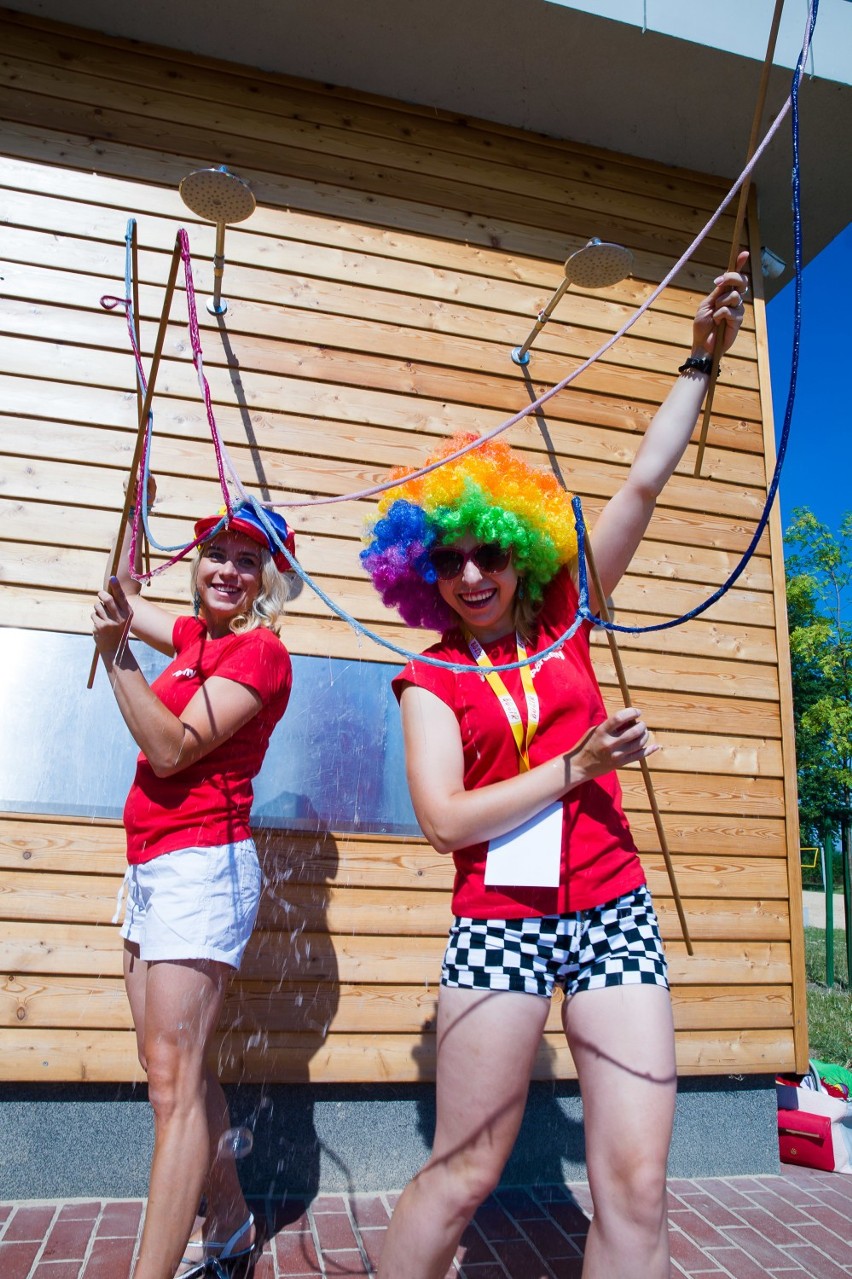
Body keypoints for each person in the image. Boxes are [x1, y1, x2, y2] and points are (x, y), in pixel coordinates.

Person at [361, 255, 749, 1279]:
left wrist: (699, 360)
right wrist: (576, 764)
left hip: (613, 908)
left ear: (517, 550)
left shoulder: (568, 615)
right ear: (421, 573)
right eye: (447, 560)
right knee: (462, 1174)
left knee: (636, 1186)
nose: (473, 575)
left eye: (488, 553)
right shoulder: (429, 679)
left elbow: (643, 480)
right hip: (499, 924)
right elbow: (446, 819)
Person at [91, 487, 296, 1279]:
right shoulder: (190, 640)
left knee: (173, 1089)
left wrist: (113, 656)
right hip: (151, 864)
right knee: (171, 1071)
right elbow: (122, 597)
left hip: (201, 867)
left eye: (249, 561)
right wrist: (133, 509)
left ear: (265, 581)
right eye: (217, 552)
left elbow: (174, 746)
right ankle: (235, 1223)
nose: (229, 569)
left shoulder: (258, 652)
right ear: (199, 564)